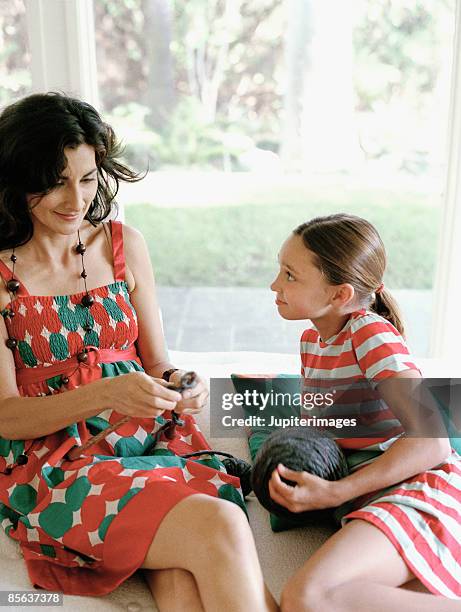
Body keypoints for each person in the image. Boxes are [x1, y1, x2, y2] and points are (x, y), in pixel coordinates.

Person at [0, 92, 277, 612]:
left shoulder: (124, 245)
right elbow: (7, 416)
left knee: (186, 584)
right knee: (218, 523)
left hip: (151, 443)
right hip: (60, 465)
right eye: (56, 180)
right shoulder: (1, 276)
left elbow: (157, 364)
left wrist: (182, 386)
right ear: (17, 178)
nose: (76, 199)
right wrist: (107, 393)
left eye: (86, 178)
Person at [269, 213, 461, 611]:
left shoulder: (369, 333)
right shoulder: (313, 341)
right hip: (375, 503)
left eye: (290, 274)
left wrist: (336, 492)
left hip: (420, 494)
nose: (274, 285)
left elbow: (433, 440)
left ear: (340, 294)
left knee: (307, 597)